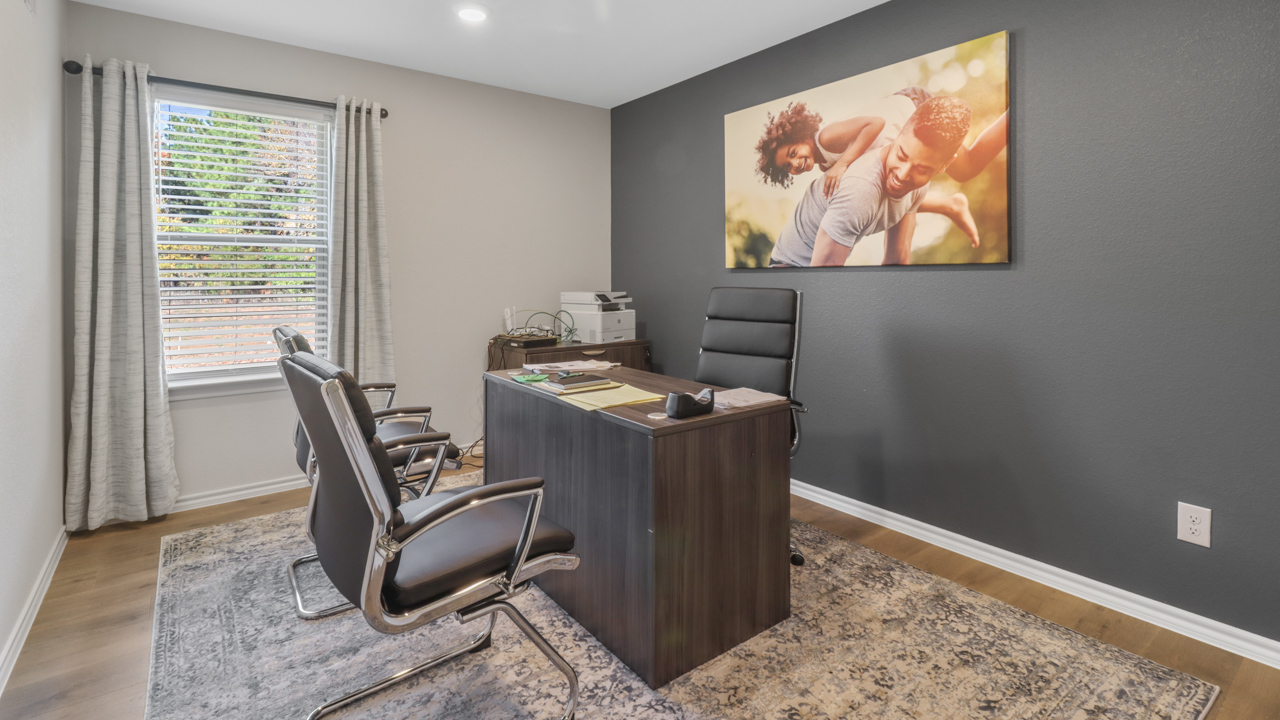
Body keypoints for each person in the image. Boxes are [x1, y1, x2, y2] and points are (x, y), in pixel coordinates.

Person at [755, 88, 1008, 249]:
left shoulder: (826, 138)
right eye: (788, 167)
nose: (795, 163)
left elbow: (875, 123)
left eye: (792, 153)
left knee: (967, 168)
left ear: (800, 136)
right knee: (888, 191)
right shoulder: (825, 166)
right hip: (896, 138)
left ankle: (1016, 110)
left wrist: (842, 163)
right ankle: (949, 205)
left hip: (914, 109)